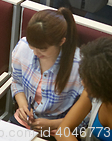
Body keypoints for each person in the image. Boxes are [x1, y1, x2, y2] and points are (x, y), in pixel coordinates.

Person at [10, 8, 83, 140]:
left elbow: (87, 113)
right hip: (25, 122)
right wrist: (23, 106)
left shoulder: (79, 66)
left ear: (62, 41)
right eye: (32, 46)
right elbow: (16, 82)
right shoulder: (23, 47)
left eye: (42, 49)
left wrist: (52, 124)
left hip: (60, 129)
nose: (36, 53)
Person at [55, 37, 112, 141]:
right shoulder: (91, 93)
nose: (82, 83)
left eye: (89, 81)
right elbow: (62, 131)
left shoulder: (95, 91)